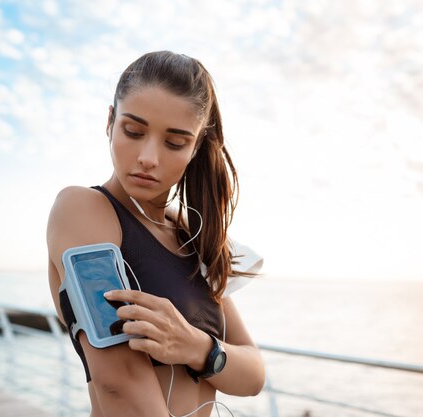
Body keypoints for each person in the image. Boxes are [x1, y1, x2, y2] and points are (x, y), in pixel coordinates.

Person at [46, 51, 265, 417]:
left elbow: (253, 375)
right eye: (133, 131)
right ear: (110, 121)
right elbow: (119, 382)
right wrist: (218, 357)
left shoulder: (192, 235)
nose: (148, 157)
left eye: (174, 142)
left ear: (195, 147)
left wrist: (198, 347)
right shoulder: (83, 210)